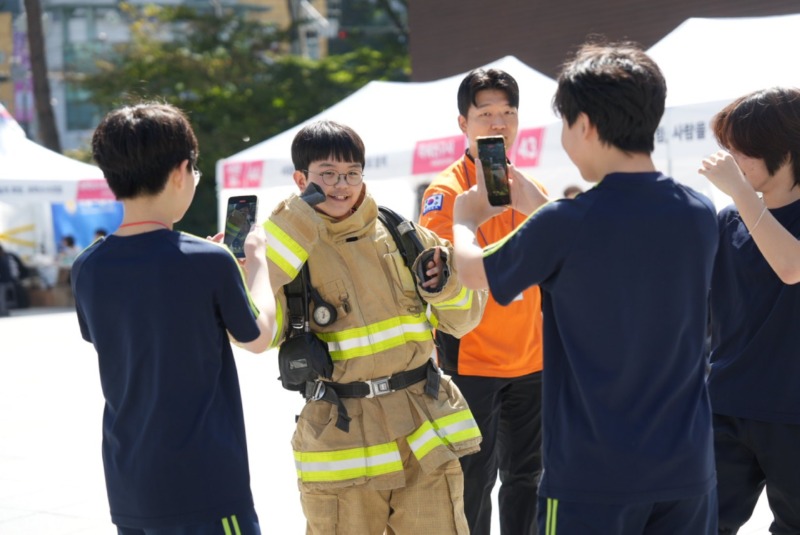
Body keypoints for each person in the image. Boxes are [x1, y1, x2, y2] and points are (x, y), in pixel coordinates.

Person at [452, 42, 719, 534]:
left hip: (592, 476)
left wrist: (464, 221)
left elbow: (474, 272)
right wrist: (540, 208)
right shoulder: (699, 214)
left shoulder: (565, 222)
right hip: (687, 468)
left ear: (586, 125)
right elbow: (613, 246)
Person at [263, 120, 485, 534]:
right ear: (300, 179)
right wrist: (277, 236)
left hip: (422, 430)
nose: (341, 185)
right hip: (342, 442)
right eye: (327, 174)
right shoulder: (286, 246)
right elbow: (255, 330)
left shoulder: (403, 234)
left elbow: (464, 319)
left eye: (352, 173)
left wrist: (446, 285)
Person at [71, 102, 276, 534]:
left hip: (130, 482)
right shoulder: (210, 260)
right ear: (181, 171)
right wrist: (256, 266)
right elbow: (258, 338)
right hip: (206, 483)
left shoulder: (87, 266)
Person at [418, 67, 544, 535]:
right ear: (462, 124)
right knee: (473, 480)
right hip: (471, 358)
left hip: (532, 358)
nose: (498, 123)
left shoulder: (530, 188)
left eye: (507, 113)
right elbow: (437, 275)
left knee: (527, 478)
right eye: (485, 113)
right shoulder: (445, 193)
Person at [698, 87, 800, 534]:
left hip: (792, 413)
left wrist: (740, 193)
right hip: (726, 405)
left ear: (782, 149)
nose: (730, 162)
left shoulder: (739, 206)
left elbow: (791, 267)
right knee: (701, 523)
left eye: (741, 152)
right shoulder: (728, 220)